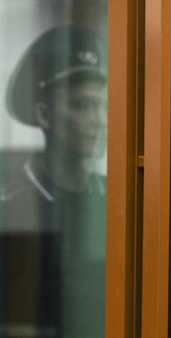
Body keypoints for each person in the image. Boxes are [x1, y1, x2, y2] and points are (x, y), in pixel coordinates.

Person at [0, 26, 107, 338]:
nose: (99, 119)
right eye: (83, 105)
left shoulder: (116, 197)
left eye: (103, 105)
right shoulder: (13, 208)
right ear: (44, 115)